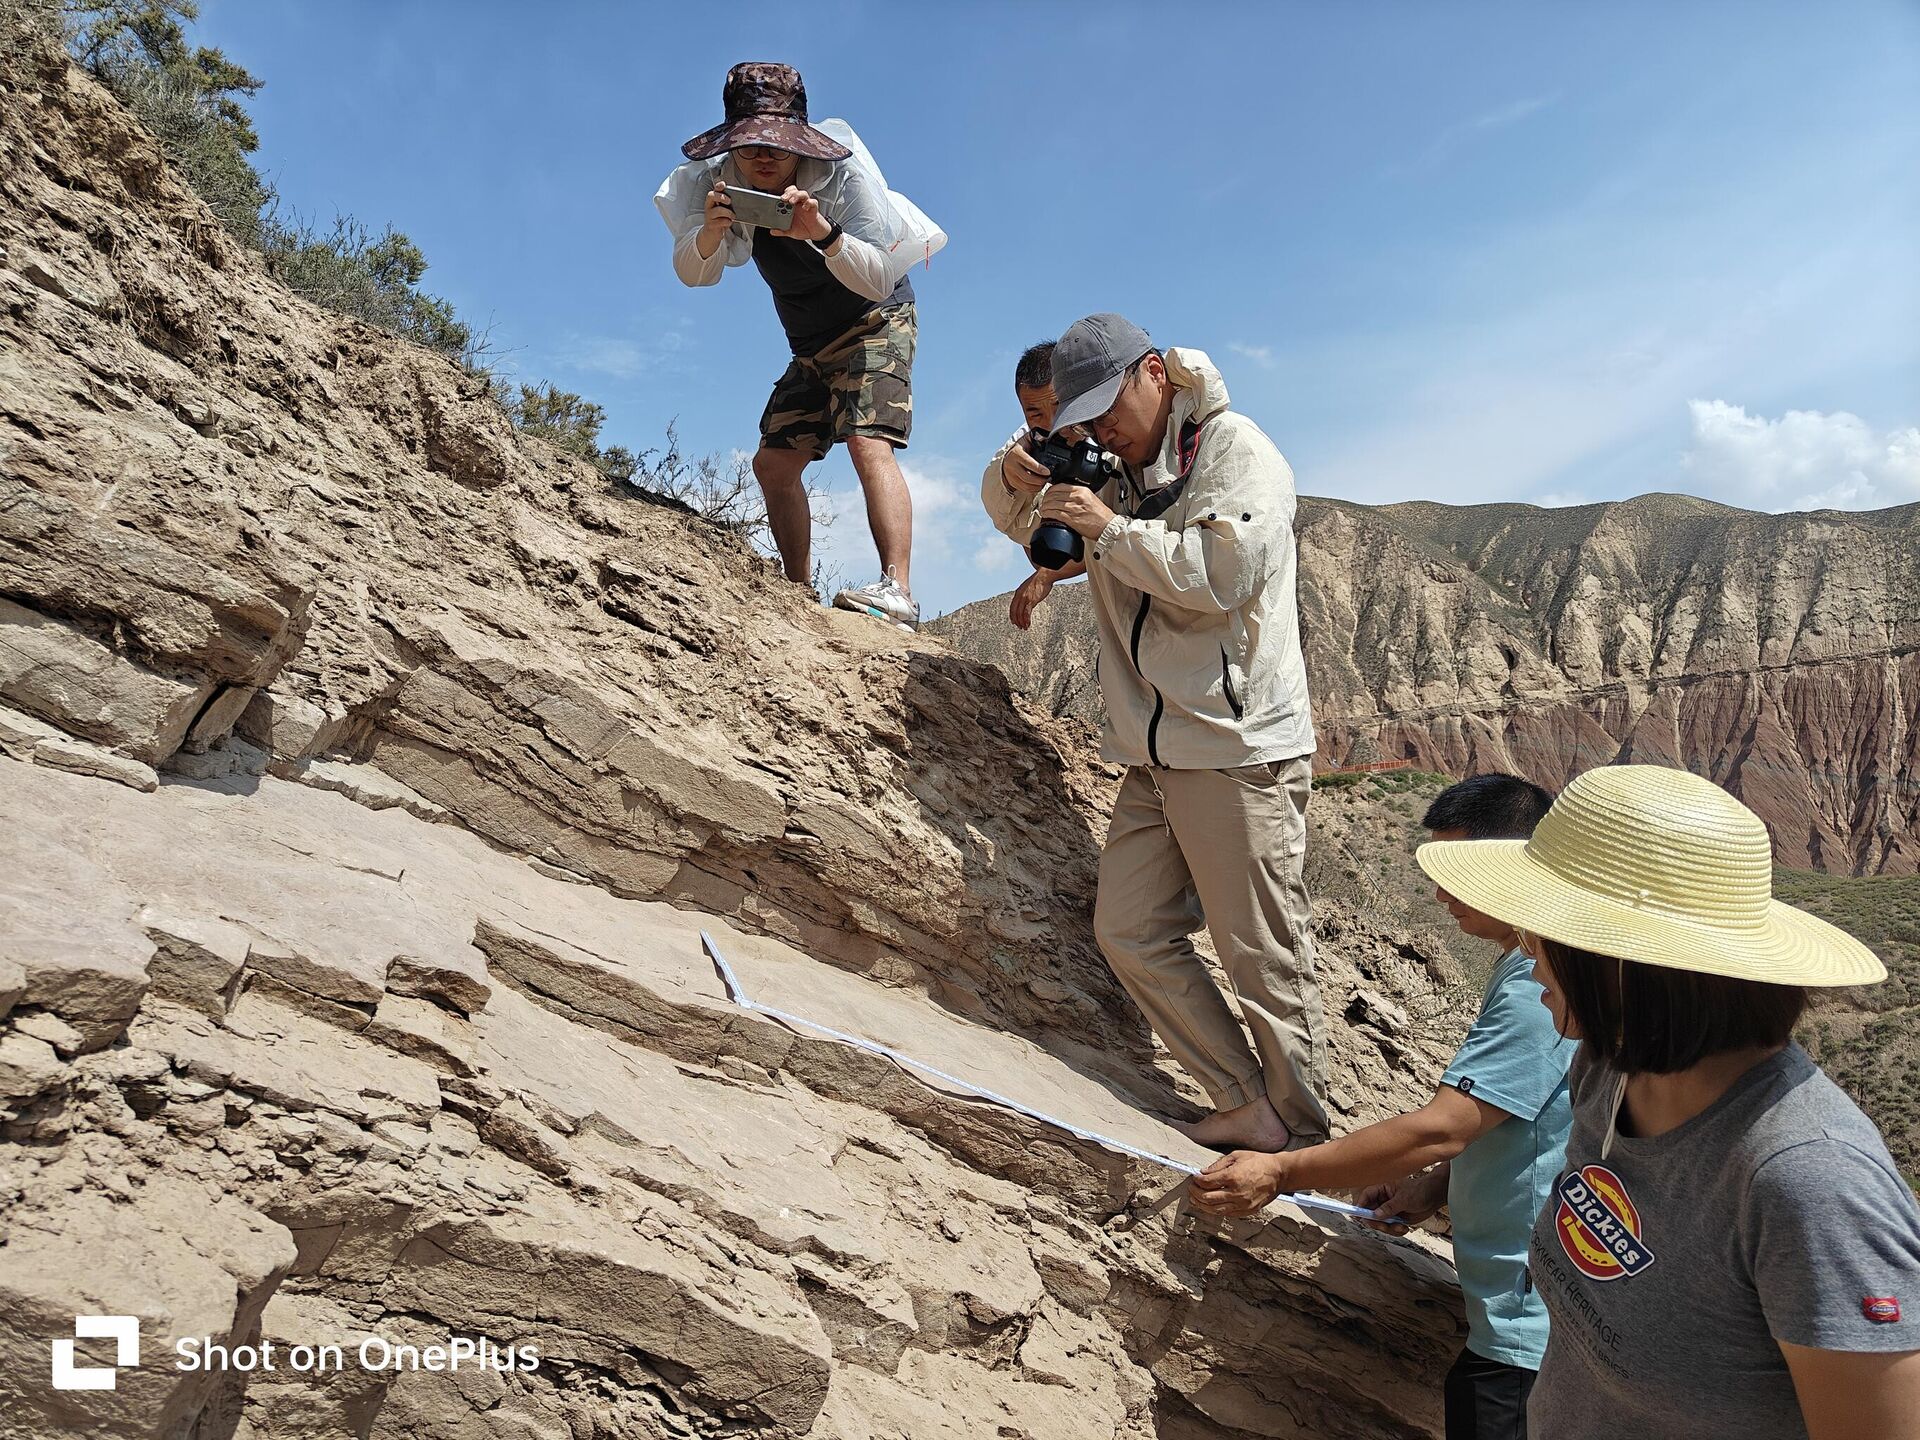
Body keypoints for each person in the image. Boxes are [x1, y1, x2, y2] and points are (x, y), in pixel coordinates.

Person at [1407, 764, 1920, 1440]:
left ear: (1623, 963)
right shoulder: (1608, 1069)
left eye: (1545, 932)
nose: (1526, 955)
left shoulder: (1809, 1186)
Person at [981, 313, 1328, 1152]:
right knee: (1130, 928)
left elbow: (1219, 575)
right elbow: (1015, 522)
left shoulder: (1232, 448)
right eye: (1081, 422)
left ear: (1153, 376)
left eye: (1107, 410)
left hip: (1238, 749)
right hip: (1156, 750)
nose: (1099, 431)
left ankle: (1308, 1148)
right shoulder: (1119, 467)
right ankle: (1248, 1100)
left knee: (1261, 957)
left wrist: (1111, 531)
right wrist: (1015, 469)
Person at [1189, 773, 1572, 1440]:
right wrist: (1435, 1189)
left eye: (1453, 869)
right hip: (1530, 1329)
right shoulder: (1537, 966)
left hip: (1528, 1351)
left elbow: (1444, 1126)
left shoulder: (1537, 990)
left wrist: (1281, 1173)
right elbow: (1531, 1118)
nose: (1438, 893)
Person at [659, 62, 925, 630]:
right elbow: (692, 271)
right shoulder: (714, 181)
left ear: (798, 139)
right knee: (773, 463)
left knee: (866, 440)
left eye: (776, 145)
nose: (762, 158)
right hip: (810, 343)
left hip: (874, 320)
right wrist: (709, 230)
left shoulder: (844, 179)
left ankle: (897, 591)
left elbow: (880, 275)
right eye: (750, 143)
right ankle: (797, 590)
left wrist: (823, 234)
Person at [978, 341, 1071, 631]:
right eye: (1035, 414)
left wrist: (1047, 576)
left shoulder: (1114, 430)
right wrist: (1008, 475)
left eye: (1059, 406)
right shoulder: (1028, 446)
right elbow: (1007, 520)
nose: (1052, 423)